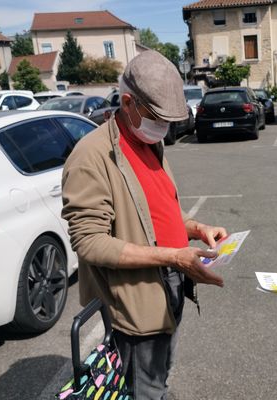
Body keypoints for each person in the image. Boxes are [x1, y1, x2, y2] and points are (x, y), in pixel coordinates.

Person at [62, 50, 228, 400]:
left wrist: (197, 229)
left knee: (159, 377)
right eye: (158, 118)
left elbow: (156, 212)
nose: (165, 129)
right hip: (138, 303)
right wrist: (175, 258)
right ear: (127, 102)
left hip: (170, 283)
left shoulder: (147, 141)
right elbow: (89, 242)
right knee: (146, 390)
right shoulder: (91, 156)